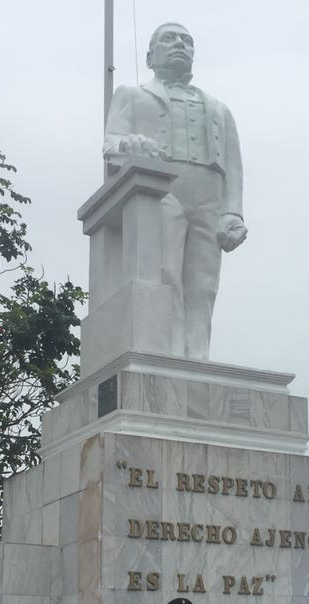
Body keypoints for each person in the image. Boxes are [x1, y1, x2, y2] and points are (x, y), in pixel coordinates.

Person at [103, 22, 246, 358]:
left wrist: (233, 211)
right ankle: (169, 355)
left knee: (204, 283)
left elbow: (235, 166)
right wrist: (131, 143)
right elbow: (110, 145)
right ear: (150, 55)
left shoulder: (219, 108)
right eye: (170, 38)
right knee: (167, 273)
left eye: (187, 41)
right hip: (162, 189)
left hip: (208, 194)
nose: (180, 44)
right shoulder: (132, 94)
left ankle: (198, 357)